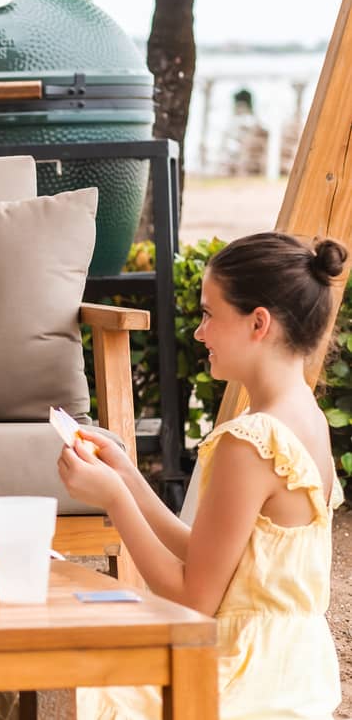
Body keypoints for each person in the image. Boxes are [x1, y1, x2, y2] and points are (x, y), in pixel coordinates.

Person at [61, 232, 345, 719]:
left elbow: (194, 599)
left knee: (85, 680)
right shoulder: (307, 419)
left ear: (259, 323)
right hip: (296, 673)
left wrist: (114, 501)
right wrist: (128, 475)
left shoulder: (251, 440)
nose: (199, 333)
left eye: (210, 315)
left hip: (241, 678)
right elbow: (213, 554)